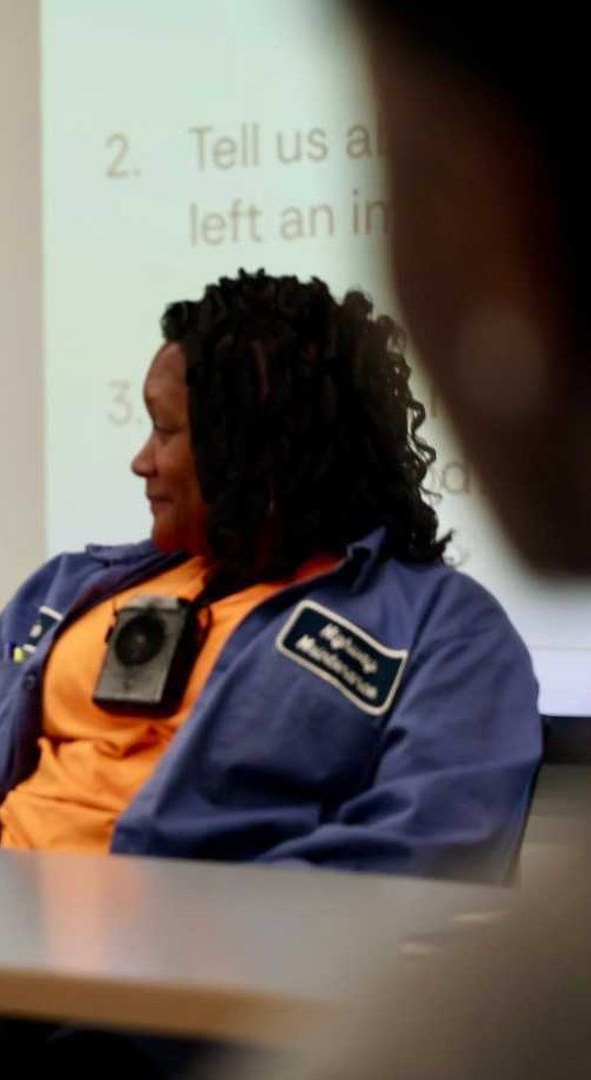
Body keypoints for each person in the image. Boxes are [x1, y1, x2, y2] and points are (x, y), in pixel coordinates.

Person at [0, 271, 541, 883]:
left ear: (260, 448)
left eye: (166, 431)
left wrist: (190, 928)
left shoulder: (442, 630)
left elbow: (433, 847)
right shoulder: (69, 588)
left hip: (192, 986)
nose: (142, 461)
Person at [218, 8, 591, 1079]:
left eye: (403, 183)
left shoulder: (506, 1024)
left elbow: (420, 843)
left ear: (501, 237)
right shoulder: (90, 591)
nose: (149, 462)